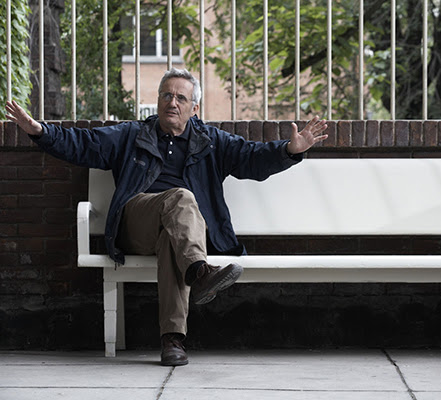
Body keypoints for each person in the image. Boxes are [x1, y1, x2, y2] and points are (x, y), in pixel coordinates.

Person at [5, 68, 328, 366]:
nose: (172, 103)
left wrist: (289, 150)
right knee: (181, 197)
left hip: (180, 236)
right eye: (166, 95)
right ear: (158, 100)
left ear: (194, 108)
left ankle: (172, 340)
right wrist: (39, 131)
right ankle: (200, 271)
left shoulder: (211, 142)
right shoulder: (132, 135)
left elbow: (251, 158)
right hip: (136, 222)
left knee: (171, 241)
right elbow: (83, 143)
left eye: (181, 98)